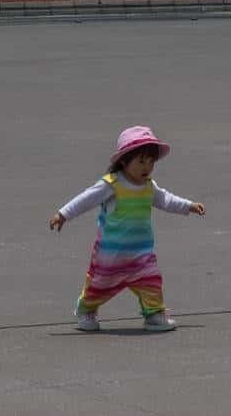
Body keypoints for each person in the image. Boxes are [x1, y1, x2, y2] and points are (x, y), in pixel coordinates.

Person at [49, 126, 206, 332]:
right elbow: (86, 199)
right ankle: (86, 309)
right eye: (141, 161)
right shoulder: (111, 185)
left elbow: (167, 200)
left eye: (151, 161)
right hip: (111, 255)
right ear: (124, 161)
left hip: (141, 254)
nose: (147, 167)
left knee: (151, 282)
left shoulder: (149, 186)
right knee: (98, 287)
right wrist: (63, 214)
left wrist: (188, 206)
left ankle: (154, 315)